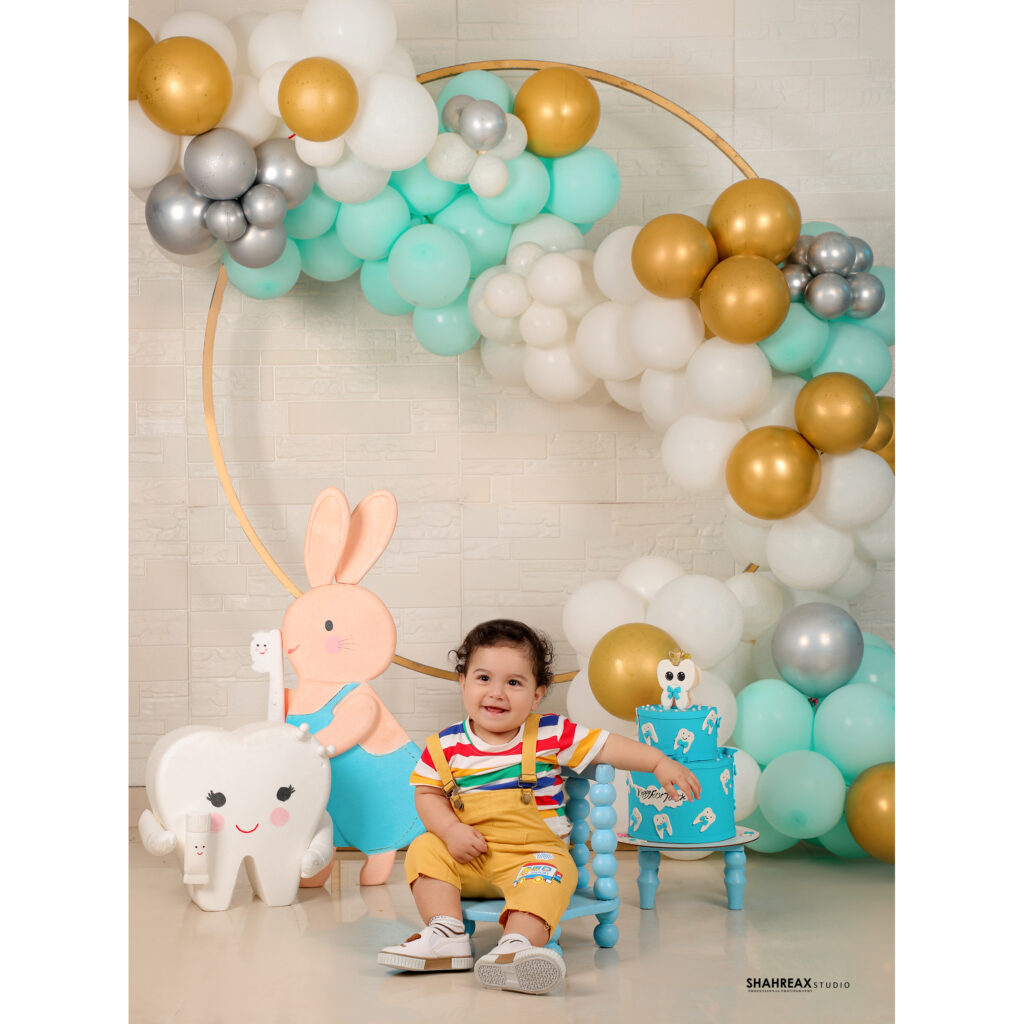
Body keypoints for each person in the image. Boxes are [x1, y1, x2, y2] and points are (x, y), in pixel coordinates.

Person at [378, 618, 701, 995]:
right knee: (423, 849)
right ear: (463, 682)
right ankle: (445, 933)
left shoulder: (550, 732)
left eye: (514, 683)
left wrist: (658, 762)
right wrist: (450, 831)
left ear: (537, 694)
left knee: (551, 876)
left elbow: (608, 745)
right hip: (469, 856)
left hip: (533, 858)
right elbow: (428, 794)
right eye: (484, 678)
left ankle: (516, 947)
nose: (497, 693)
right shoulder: (445, 745)